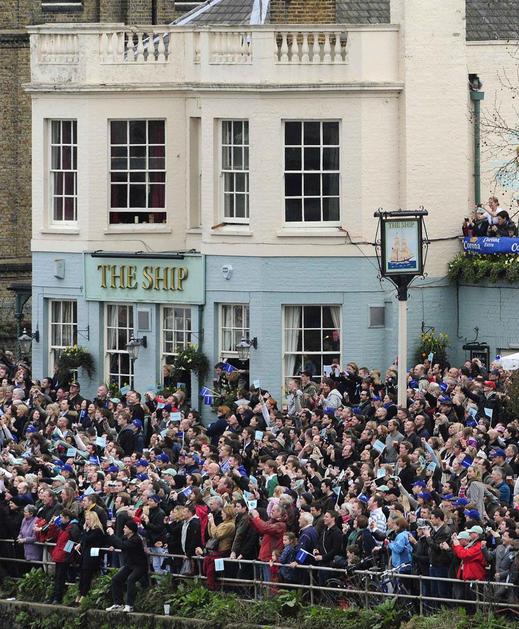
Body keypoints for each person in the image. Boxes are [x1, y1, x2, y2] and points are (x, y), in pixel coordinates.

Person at [105, 519, 149, 613]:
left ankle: (129, 605)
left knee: (130, 579)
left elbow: (123, 545)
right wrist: (113, 545)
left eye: (125, 527)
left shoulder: (136, 539)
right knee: (116, 579)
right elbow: (119, 543)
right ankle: (118, 604)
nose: (123, 529)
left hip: (140, 565)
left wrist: (112, 534)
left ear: (131, 530)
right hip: (130, 564)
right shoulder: (126, 537)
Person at [74, 510, 105, 605]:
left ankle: (84, 595)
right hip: (85, 555)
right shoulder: (89, 530)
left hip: (92, 557)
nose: (86, 521)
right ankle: (79, 594)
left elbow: (87, 539)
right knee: (82, 576)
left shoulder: (97, 531)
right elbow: (83, 539)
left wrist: (85, 530)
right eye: (86, 519)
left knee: (87, 576)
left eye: (88, 519)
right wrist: (80, 543)